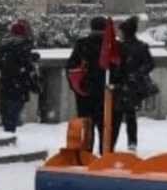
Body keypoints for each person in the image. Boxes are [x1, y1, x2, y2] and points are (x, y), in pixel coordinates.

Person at [112, 15, 155, 152]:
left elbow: (113, 65)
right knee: (130, 116)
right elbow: (149, 64)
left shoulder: (119, 47)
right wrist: (138, 73)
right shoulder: (141, 46)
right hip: (133, 85)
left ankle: (111, 141)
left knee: (117, 116)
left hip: (121, 84)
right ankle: (132, 142)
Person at [66, 17, 109, 152]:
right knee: (105, 124)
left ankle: (86, 150)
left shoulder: (82, 44)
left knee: (86, 123)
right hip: (105, 90)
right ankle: (105, 151)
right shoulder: (110, 46)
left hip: (85, 90)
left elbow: (71, 66)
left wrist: (76, 86)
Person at [0, 19, 40, 133]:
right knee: (14, 111)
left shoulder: (4, 46)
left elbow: (2, 64)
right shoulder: (22, 46)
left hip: (6, 83)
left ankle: (8, 131)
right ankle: (10, 133)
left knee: (7, 111)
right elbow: (25, 66)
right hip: (19, 84)